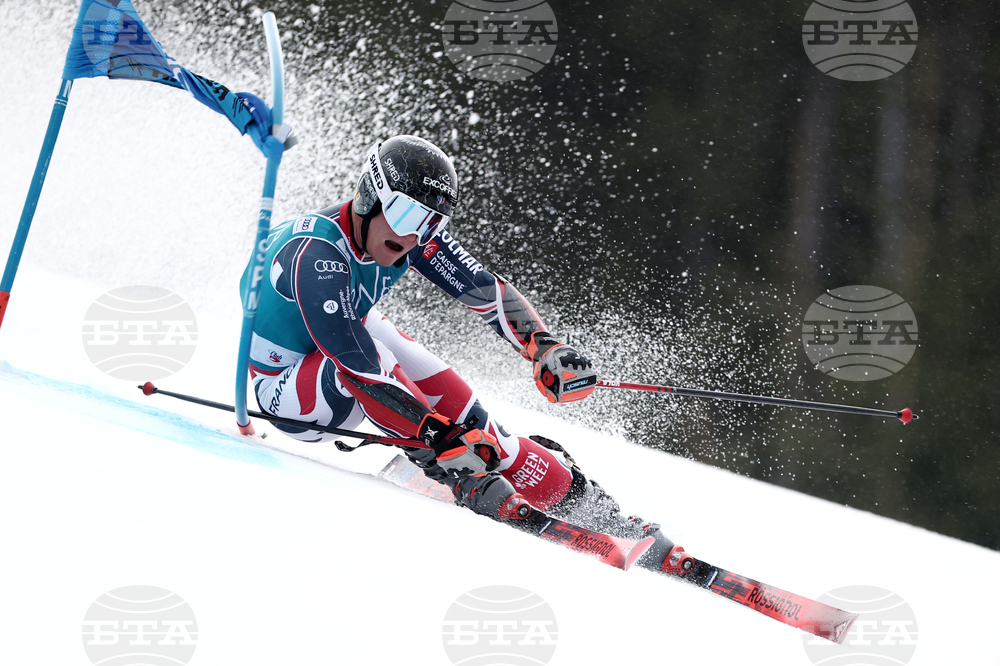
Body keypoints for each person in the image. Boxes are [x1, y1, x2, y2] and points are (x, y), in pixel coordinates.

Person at [240, 135, 674, 570]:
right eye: (407, 213)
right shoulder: (318, 256)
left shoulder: (406, 236)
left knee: (472, 415)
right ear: (370, 194)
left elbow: (483, 289)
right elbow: (356, 369)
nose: (414, 235)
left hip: (345, 338)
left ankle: (591, 509)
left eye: (431, 222)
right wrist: (437, 437)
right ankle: (450, 470)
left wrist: (543, 347)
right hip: (287, 390)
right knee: (382, 364)